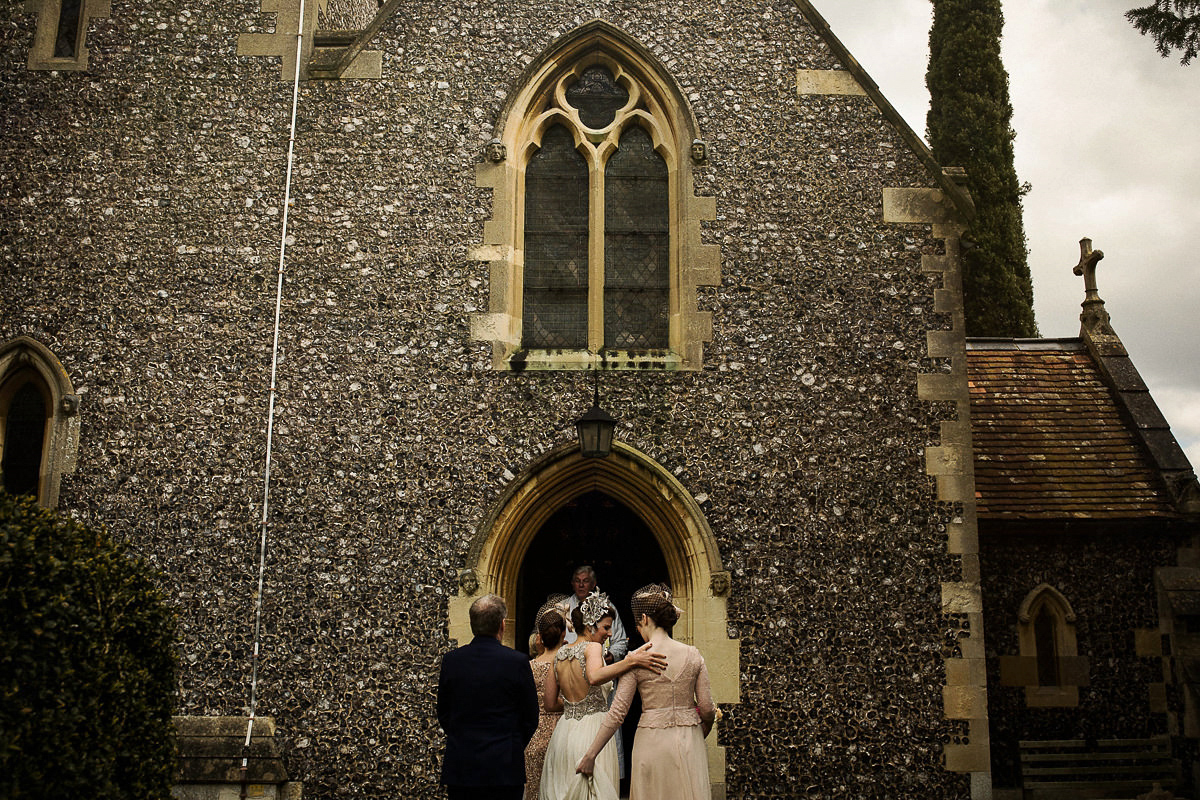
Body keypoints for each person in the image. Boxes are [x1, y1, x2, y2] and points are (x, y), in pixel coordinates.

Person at [575, 584, 716, 800]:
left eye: (637, 625)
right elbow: (707, 707)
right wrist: (701, 730)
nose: (638, 630)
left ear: (645, 618)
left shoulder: (638, 658)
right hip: (690, 740)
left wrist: (590, 754)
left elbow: (617, 714)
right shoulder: (693, 655)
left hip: (652, 742)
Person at [539, 590, 666, 800]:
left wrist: (574, 704)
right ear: (590, 625)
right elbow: (595, 677)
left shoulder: (559, 654)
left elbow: (550, 703)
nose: (609, 633)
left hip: (563, 734)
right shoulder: (593, 648)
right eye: (606, 627)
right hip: (591, 732)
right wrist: (631, 661)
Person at [437, 594, 540, 800]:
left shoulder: (452, 661)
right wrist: (512, 744)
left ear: (472, 624)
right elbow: (530, 716)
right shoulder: (517, 662)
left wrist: (463, 738)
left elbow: (444, 712)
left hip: (463, 766)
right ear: (502, 625)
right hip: (504, 766)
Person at [525, 598, 568, 800]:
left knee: (535, 791)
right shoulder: (566, 664)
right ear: (563, 634)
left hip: (533, 735)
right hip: (563, 732)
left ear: (539, 638)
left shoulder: (528, 667)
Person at [564, 566, 627, 663]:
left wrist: (611, 656)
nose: (581, 585)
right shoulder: (563, 607)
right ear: (572, 584)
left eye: (585, 581)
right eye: (577, 581)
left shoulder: (607, 608)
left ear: (593, 584)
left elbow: (620, 642)